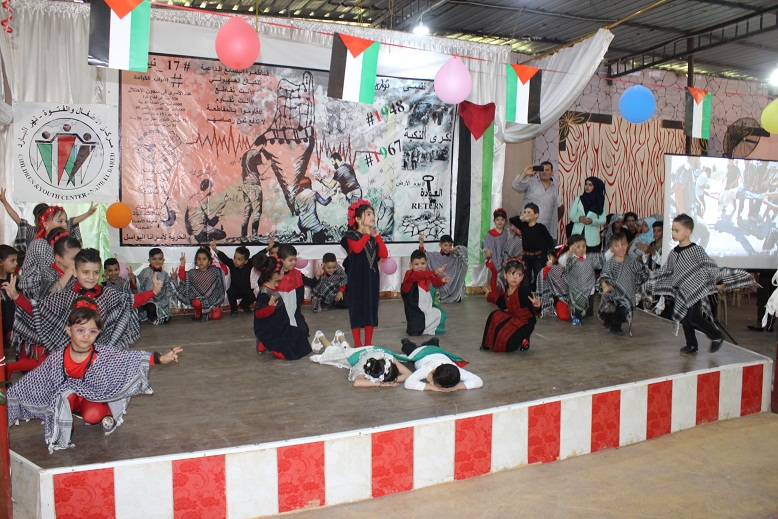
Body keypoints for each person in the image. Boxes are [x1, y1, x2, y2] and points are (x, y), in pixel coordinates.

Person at [5, 297, 182, 452]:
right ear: (69, 330)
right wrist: (8, 398)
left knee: (92, 416)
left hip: (92, 397)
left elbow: (130, 358)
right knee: (63, 395)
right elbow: (33, 381)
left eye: (92, 331)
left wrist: (160, 358)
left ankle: (107, 415)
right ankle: (65, 426)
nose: (86, 336)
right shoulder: (57, 358)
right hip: (70, 400)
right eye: (80, 330)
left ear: (98, 333)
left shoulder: (102, 353)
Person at [6, 248, 162, 355]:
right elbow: (38, 311)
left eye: (95, 272)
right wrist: (16, 296)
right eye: (85, 272)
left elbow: (130, 301)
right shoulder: (64, 297)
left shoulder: (108, 294)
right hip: (71, 355)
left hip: (100, 354)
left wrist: (153, 292)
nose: (91, 277)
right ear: (74, 272)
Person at [644, 214, 754, 354]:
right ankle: (691, 344)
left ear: (688, 232)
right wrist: (652, 280)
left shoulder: (696, 250)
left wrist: (719, 281)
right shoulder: (673, 253)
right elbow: (666, 270)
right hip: (681, 292)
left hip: (694, 291)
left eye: (677, 230)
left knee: (693, 318)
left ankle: (716, 335)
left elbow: (710, 266)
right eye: (672, 230)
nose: (673, 233)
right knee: (685, 318)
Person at [340, 199, 388, 347]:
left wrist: (377, 237)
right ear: (358, 219)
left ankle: (368, 344)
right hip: (357, 279)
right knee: (356, 310)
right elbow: (357, 249)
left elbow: (384, 254)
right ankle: (358, 344)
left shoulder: (373, 239)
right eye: (368, 214)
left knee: (370, 310)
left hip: (371, 279)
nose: (372, 217)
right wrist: (367, 235)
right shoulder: (350, 236)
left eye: (373, 214)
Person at [253, 254, 311, 360]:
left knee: (300, 335)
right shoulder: (264, 293)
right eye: (282, 270)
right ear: (275, 274)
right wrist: (270, 307)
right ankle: (266, 343)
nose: (284, 272)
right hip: (271, 331)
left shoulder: (274, 287)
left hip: (281, 327)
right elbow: (258, 314)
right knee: (289, 352)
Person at [0, 191, 95, 255]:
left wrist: (88, 213)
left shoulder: (62, 233)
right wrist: (4, 201)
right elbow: (17, 218)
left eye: (63, 221)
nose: (64, 224)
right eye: (60, 221)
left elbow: (72, 221)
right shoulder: (32, 232)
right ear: (44, 223)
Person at [309, 331, 412, 388]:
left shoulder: (387, 358)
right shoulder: (363, 366)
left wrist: (393, 380)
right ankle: (320, 336)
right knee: (331, 351)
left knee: (348, 348)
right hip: (349, 357)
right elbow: (357, 382)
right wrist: (381, 383)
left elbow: (408, 373)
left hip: (362, 351)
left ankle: (340, 336)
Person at [482, 258, 541, 352]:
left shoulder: (523, 291)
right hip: (513, 319)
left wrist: (536, 306)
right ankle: (488, 344)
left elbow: (533, 311)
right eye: (511, 274)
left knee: (509, 346)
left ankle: (525, 338)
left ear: (522, 277)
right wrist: (489, 295)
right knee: (495, 315)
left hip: (524, 323)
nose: (514, 278)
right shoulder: (507, 289)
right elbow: (503, 304)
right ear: (505, 275)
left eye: (518, 275)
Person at [598, 233, 650, 336]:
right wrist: (605, 286)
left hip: (629, 294)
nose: (621, 248)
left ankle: (609, 318)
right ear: (612, 248)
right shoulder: (610, 263)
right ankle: (614, 326)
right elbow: (604, 276)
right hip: (614, 297)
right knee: (621, 309)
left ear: (627, 244)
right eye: (617, 245)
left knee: (627, 311)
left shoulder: (631, 261)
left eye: (623, 244)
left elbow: (642, 272)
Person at [401, 339, 483, 392]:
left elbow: (478, 381)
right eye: (433, 381)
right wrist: (432, 387)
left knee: (433, 345)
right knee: (408, 348)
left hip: (437, 351)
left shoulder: (455, 371)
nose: (431, 383)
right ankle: (407, 342)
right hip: (419, 353)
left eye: (433, 383)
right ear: (433, 371)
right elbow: (408, 383)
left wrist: (457, 387)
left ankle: (433, 341)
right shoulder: (428, 368)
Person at [512, 162, 564, 244]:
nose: (544, 172)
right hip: (527, 228)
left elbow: (559, 208)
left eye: (547, 170)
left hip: (544, 231)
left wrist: (553, 225)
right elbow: (516, 186)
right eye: (542, 169)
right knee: (526, 251)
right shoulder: (531, 182)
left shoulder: (554, 190)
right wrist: (525, 172)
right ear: (538, 171)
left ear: (552, 172)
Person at [401, 249, 449, 336]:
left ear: (426, 264)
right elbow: (418, 276)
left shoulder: (427, 275)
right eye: (416, 264)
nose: (420, 266)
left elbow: (435, 281)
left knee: (439, 314)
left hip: (427, 308)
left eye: (422, 263)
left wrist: (442, 280)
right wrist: (435, 272)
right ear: (410, 265)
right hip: (415, 310)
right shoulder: (410, 275)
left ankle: (429, 329)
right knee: (415, 330)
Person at [173, 248, 226, 321]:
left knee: (216, 317)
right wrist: (182, 265)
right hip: (199, 301)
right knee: (196, 301)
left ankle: (208, 311)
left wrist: (221, 263)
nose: (201, 261)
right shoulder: (193, 273)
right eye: (199, 259)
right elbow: (183, 276)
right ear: (196, 261)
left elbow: (224, 272)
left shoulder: (214, 270)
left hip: (213, 302)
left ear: (209, 261)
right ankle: (198, 312)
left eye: (204, 259)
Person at [562, 234, 605, 325]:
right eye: (578, 247)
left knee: (589, 314)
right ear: (572, 248)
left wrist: (612, 251)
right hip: (576, 291)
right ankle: (576, 314)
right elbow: (561, 262)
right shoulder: (570, 260)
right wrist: (569, 252)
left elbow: (603, 258)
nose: (581, 249)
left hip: (590, 290)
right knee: (578, 310)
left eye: (584, 246)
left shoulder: (590, 258)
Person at [509, 203, 554, 291]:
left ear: (536, 215)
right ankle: (526, 297)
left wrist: (551, 253)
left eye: (529, 212)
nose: (526, 214)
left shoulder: (540, 227)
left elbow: (549, 240)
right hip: (526, 257)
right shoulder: (523, 226)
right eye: (525, 212)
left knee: (539, 279)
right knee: (525, 280)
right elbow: (512, 220)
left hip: (538, 257)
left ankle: (538, 297)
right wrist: (522, 218)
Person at [275, 244, 317, 336]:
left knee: (303, 331)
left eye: (295, 259)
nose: (294, 262)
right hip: (280, 312)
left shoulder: (298, 274)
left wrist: (317, 276)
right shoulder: (274, 275)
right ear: (281, 260)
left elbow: (312, 283)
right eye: (290, 260)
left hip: (295, 312)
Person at [420, 234, 467, 304]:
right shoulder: (435, 256)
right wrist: (421, 243)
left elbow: (465, 253)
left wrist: (455, 249)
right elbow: (423, 255)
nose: (448, 247)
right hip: (442, 290)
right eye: (445, 245)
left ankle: (454, 295)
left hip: (456, 292)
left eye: (450, 245)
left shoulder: (456, 257)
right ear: (440, 245)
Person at [212, 241, 256, 316]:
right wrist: (215, 250)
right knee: (230, 292)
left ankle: (244, 305)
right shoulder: (232, 264)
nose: (236, 261)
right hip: (235, 290)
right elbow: (224, 258)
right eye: (235, 257)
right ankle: (234, 308)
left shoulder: (249, 265)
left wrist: (268, 248)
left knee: (252, 297)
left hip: (246, 290)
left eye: (239, 259)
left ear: (245, 261)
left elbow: (257, 256)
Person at [482, 208, 522, 288]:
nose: (500, 222)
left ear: (505, 221)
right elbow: (485, 246)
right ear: (494, 221)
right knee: (494, 277)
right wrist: (486, 250)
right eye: (497, 220)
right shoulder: (489, 234)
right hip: (494, 259)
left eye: (502, 220)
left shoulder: (508, 233)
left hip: (506, 260)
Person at [569, 177, 607, 253]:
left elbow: (603, 220)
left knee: (591, 258)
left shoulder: (600, 202)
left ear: (595, 187)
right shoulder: (579, 199)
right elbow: (571, 216)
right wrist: (579, 218)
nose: (587, 186)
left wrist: (592, 221)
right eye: (586, 184)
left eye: (590, 185)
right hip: (577, 236)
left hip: (592, 239)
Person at [137, 248, 173, 325]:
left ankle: (160, 316)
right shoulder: (145, 272)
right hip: (148, 300)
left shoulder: (165, 274)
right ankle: (150, 315)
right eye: (154, 259)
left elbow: (168, 288)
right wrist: (133, 279)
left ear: (163, 260)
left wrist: (173, 279)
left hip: (161, 300)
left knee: (166, 317)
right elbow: (138, 284)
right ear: (149, 260)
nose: (157, 261)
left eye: (160, 259)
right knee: (151, 307)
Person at [40, 232, 81, 297]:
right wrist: (69, 272)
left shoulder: (79, 270)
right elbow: (51, 295)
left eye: (79, 257)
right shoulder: (48, 272)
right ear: (58, 258)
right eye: (73, 258)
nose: (78, 261)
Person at [536, 246, 571, 320]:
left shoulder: (572, 267)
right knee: (564, 316)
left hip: (571, 296)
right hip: (559, 297)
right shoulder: (551, 268)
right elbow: (542, 277)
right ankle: (555, 305)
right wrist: (548, 267)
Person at [294, 178, 331, 243]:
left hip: (302, 223)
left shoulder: (297, 197)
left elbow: (297, 212)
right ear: (309, 184)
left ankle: (303, 234)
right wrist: (330, 198)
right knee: (321, 239)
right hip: (313, 222)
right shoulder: (314, 193)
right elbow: (324, 203)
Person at [0, 245, 18, 347]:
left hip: (11, 332)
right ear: (1, 262)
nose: (16, 263)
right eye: (12, 261)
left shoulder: (14, 280)